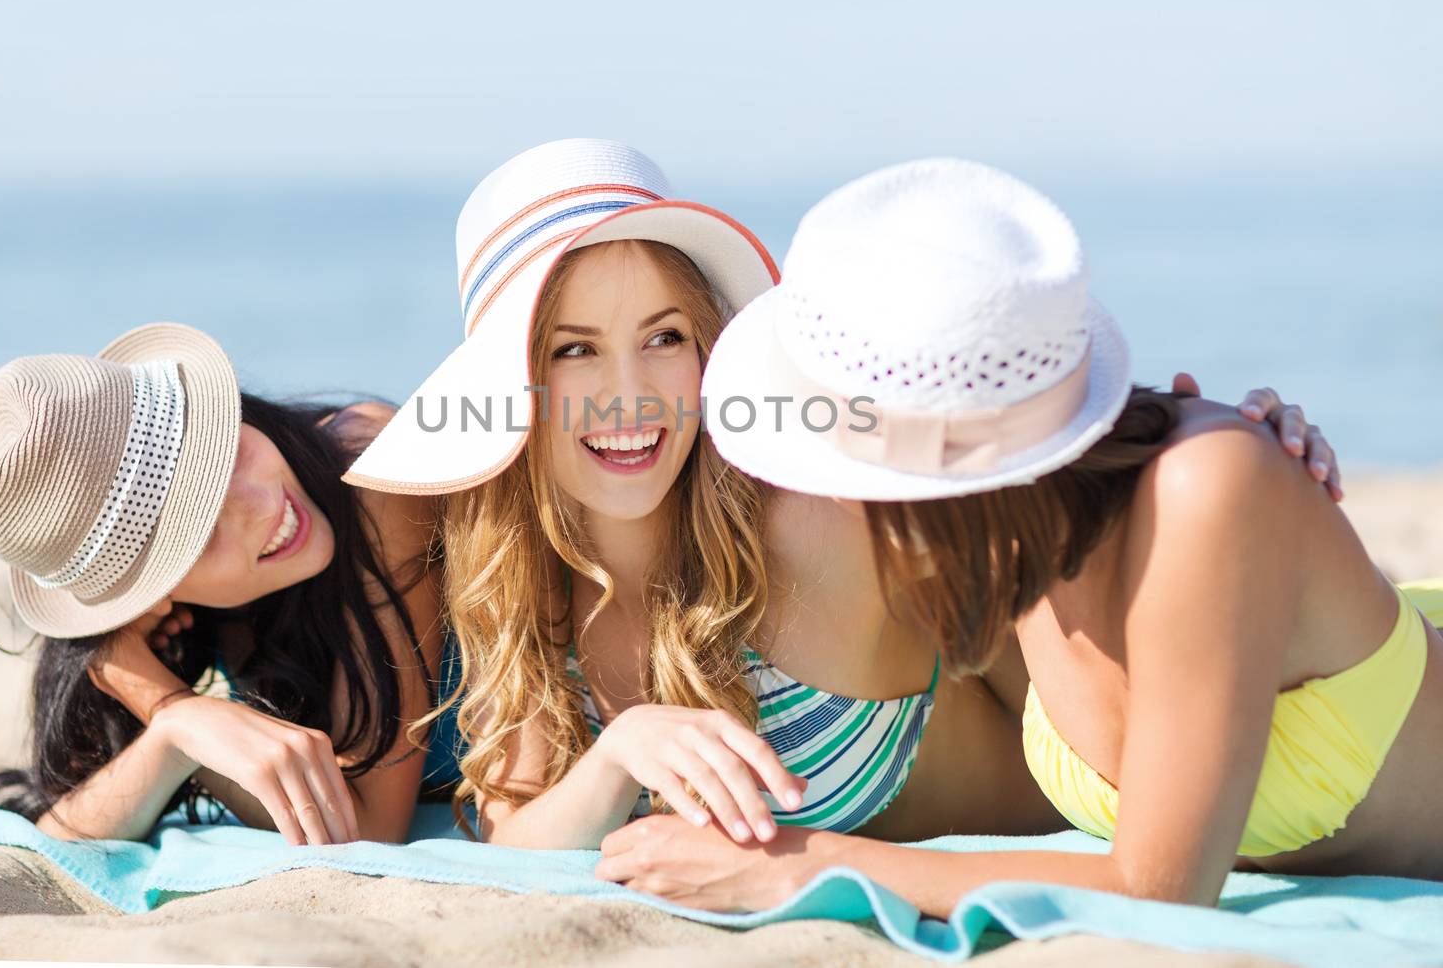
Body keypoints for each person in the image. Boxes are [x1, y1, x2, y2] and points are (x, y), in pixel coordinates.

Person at [347, 141, 1338, 849]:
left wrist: (1229, 435)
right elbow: (520, 831)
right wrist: (620, 756)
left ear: (710, 348)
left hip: (1221, 761)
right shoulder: (513, 569)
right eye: (572, 349)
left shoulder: (812, 501)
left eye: (663, 336)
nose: (629, 393)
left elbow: (1022, 441)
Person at [595, 158, 1440, 911]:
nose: (821, 493)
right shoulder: (1002, 544)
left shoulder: (1205, 488)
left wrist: (804, 866)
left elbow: (1160, 890)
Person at [0, 322, 446, 844]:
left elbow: (368, 828)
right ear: (154, 596)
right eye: (200, 533)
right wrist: (177, 724)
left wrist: (163, 702)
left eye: (226, 455)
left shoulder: (373, 470)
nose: (262, 505)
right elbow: (59, 836)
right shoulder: (178, 627)